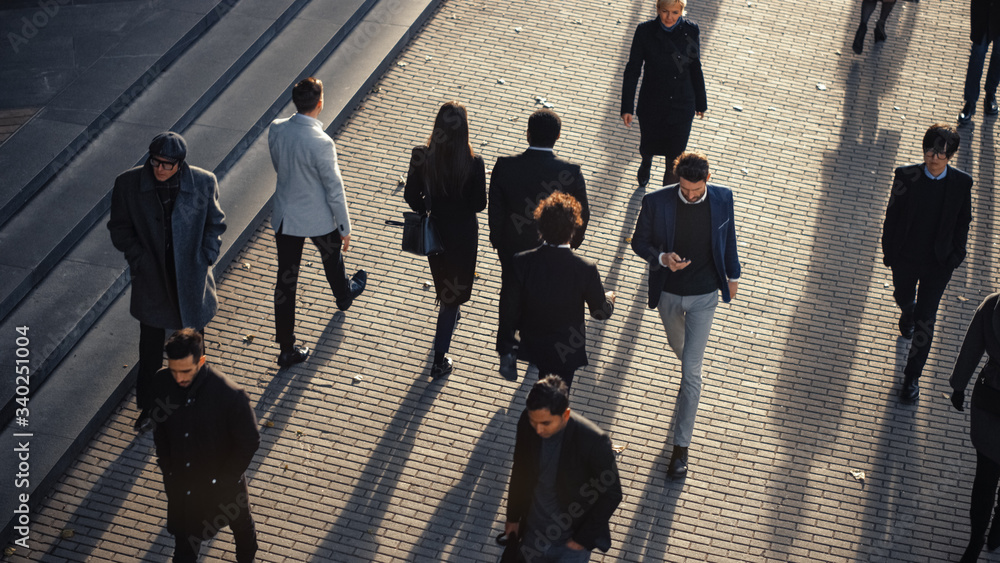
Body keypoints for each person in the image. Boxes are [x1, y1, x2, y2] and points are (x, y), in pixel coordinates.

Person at [630, 151, 740, 480]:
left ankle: (680, 449)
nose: (690, 196)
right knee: (683, 354)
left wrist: (733, 276)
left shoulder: (723, 197)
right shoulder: (656, 201)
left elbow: (728, 237)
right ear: (678, 180)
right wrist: (663, 258)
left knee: (691, 371)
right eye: (684, 189)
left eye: (696, 190)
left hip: (705, 295)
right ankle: (689, 379)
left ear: (707, 179)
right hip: (669, 295)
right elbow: (639, 242)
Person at [108, 131, 226, 432]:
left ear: (180, 164)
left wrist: (206, 256)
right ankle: (149, 409)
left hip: (190, 279)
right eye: (155, 162)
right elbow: (119, 228)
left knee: (193, 350)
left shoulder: (203, 182)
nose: (160, 169)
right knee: (149, 352)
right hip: (152, 280)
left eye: (167, 164)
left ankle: (196, 404)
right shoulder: (128, 184)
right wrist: (139, 259)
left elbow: (216, 223)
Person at [268, 77, 368, 368]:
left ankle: (286, 347)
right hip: (318, 217)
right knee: (332, 259)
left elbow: (278, 164)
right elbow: (334, 189)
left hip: (286, 218)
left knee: (286, 282)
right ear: (320, 104)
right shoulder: (321, 143)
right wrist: (345, 228)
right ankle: (344, 296)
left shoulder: (276, 129)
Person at [489, 109, 590, 378]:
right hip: (552, 247)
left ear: (527, 133)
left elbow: (495, 210)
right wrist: (572, 245)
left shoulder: (505, 166)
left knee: (511, 294)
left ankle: (508, 350)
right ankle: (536, 352)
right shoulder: (569, 171)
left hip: (512, 247)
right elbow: (583, 213)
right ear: (558, 136)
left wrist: (498, 241)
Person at [149, 329, 260, 562]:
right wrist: (168, 467)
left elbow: (249, 441)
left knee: (242, 531)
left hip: (225, 487)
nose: (179, 378)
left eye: (186, 371)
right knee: (185, 547)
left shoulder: (230, 395)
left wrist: (225, 479)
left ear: (201, 361)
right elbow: (160, 430)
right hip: (185, 486)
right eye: (174, 370)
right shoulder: (162, 382)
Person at [882, 123, 972, 403]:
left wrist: (957, 256)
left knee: (926, 322)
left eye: (940, 153)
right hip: (905, 258)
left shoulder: (961, 183)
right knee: (903, 296)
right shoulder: (906, 175)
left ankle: (912, 377)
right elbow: (892, 215)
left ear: (950, 156)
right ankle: (906, 311)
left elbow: (963, 221)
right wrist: (889, 252)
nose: (932, 157)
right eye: (929, 150)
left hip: (938, 263)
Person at [404, 101, 486, 378]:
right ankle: (439, 360)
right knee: (451, 298)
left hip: (435, 232)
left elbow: (410, 197)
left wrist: (427, 205)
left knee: (445, 287)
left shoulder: (422, 156)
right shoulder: (474, 163)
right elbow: (479, 204)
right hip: (463, 235)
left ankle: (449, 312)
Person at [498, 192, 614, 387]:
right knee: (559, 397)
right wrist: (609, 299)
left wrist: (506, 346)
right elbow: (600, 312)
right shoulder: (585, 268)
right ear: (573, 229)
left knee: (544, 382)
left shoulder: (522, 261)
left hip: (534, 343)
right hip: (566, 349)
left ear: (541, 226)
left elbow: (509, 307)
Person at [504, 375, 622, 562]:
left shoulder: (593, 441)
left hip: (570, 545)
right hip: (532, 535)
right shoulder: (527, 423)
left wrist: (581, 539)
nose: (538, 430)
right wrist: (513, 517)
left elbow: (613, 493)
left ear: (565, 415)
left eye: (546, 423)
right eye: (534, 421)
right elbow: (520, 471)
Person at [621, 0, 707, 188]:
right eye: (665, 11)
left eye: (675, 12)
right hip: (653, 102)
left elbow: (695, 66)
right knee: (648, 145)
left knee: (675, 157)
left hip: (682, 104)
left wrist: (701, 102)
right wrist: (627, 106)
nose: (669, 17)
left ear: (682, 11)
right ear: (658, 9)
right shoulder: (645, 31)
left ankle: (664, 197)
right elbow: (633, 69)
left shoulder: (691, 30)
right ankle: (646, 162)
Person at [950, 293, 1000, 563]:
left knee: (984, 479)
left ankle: (976, 539)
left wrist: (959, 386)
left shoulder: (993, 305)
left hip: (990, 400)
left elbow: (972, 346)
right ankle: (997, 529)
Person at [958, 0, 1000, 122]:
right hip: (984, 9)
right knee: (977, 54)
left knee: (998, 54)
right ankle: (970, 102)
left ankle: (990, 94)